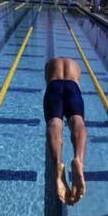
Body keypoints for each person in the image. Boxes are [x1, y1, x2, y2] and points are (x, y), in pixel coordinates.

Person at [43, 57, 87, 206]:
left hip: (54, 87)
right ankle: (78, 160)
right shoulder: (76, 65)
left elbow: (48, 79)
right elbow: (78, 85)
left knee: (54, 122)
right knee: (77, 120)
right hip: (73, 87)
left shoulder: (50, 64)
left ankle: (57, 163)